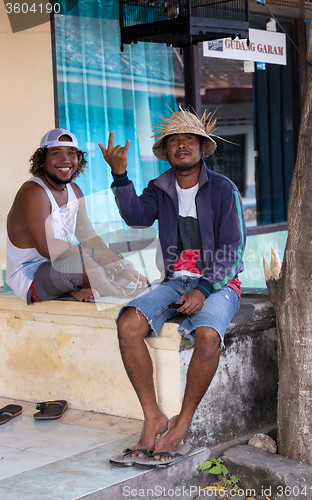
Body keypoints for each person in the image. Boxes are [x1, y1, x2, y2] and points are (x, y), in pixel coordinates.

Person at [100, 107, 246, 466]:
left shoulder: (223, 189)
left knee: (209, 336)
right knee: (128, 324)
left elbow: (233, 247)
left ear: (201, 147)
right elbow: (136, 217)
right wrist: (120, 176)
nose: (181, 145)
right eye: (173, 140)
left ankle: (182, 421)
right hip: (174, 280)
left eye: (189, 139)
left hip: (218, 282)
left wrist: (205, 288)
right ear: (165, 151)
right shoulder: (159, 188)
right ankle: (153, 418)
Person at [6, 128, 148, 305]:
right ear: (41, 160)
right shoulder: (34, 192)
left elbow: (88, 236)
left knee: (121, 265)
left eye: (71, 153)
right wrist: (98, 256)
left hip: (63, 266)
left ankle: (80, 289)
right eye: (56, 153)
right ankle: (119, 293)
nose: (65, 159)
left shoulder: (74, 190)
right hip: (30, 276)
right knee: (88, 265)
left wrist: (118, 263)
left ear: (78, 159)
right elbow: (46, 248)